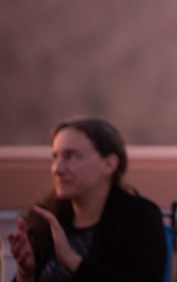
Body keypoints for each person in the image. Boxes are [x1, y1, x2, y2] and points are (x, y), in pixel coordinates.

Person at [6, 116, 167, 282]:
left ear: (109, 164)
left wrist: (72, 260)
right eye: (56, 157)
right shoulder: (47, 218)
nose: (58, 169)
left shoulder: (140, 216)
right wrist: (26, 272)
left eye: (72, 156)